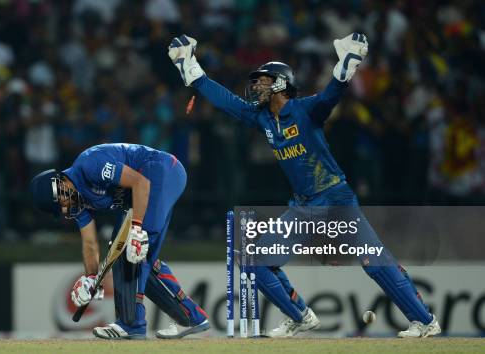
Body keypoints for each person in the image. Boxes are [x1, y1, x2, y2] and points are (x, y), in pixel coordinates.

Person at [168, 33, 440, 338]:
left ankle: (424, 320)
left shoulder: (306, 110)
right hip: (304, 207)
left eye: (263, 80)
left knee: (374, 263)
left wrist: (347, 63)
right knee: (253, 262)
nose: (256, 86)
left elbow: (330, 96)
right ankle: (300, 316)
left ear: (282, 82)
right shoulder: (264, 119)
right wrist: (191, 67)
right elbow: (227, 102)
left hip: (336, 199)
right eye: (255, 81)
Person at [30, 143, 209, 339]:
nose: (64, 209)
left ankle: (131, 324)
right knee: (134, 252)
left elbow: (140, 183)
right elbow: (90, 243)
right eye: (60, 209)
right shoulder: (75, 202)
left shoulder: (90, 165)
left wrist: (137, 228)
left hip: (160, 170)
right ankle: (191, 317)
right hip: (145, 189)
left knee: (130, 249)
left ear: (60, 183)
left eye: (60, 202)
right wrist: (91, 278)